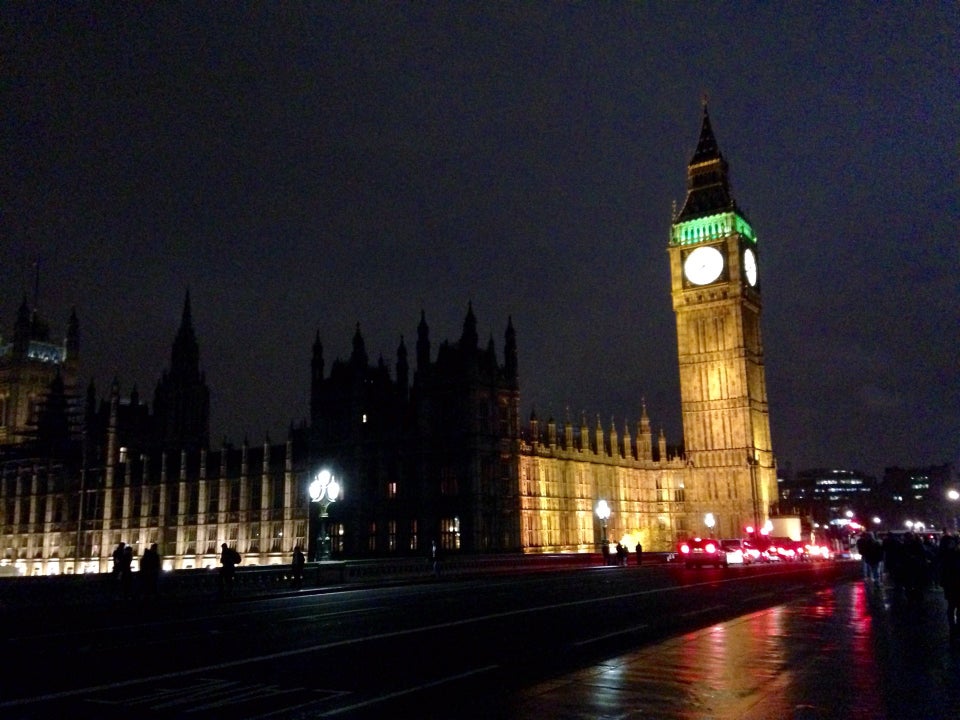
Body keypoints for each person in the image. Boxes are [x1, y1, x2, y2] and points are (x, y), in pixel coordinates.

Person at [939, 535, 960, 643]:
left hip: (951, 584)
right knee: (953, 606)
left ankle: (954, 628)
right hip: (953, 584)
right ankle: (955, 627)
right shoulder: (951, 555)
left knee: (952, 606)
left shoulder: (945, 555)